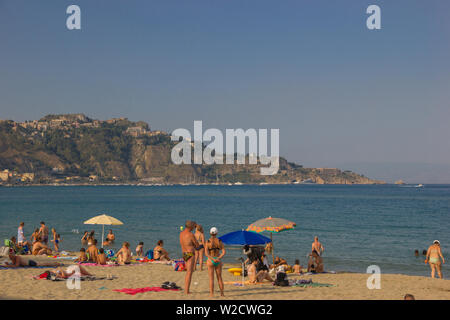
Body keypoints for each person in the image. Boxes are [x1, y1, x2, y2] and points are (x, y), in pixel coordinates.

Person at [204, 227, 226, 297]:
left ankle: (211, 294)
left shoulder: (207, 242)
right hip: (218, 260)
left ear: (210, 233)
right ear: (216, 233)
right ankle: (222, 293)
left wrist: (212, 259)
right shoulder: (219, 241)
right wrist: (218, 258)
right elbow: (223, 252)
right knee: (219, 277)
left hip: (211, 260)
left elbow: (206, 254)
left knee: (211, 278)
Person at [179, 220, 199, 295]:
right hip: (190, 254)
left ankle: (186, 290)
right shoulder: (191, 235)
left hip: (184, 254)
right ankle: (186, 291)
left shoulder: (181, 234)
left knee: (188, 272)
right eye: (193, 226)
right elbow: (197, 245)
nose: (194, 227)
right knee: (189, 273)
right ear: (190, 227)